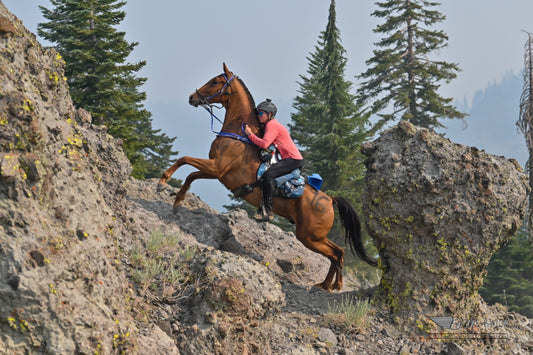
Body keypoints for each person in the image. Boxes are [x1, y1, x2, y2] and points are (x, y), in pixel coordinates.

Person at [243, 99, 303, 222]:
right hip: (289, 159)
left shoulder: (272, 125)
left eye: (261, 114)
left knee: (269, 175)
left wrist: (250, 135)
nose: (259, 116)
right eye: (258, 114)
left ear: (269, 115)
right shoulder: (269, 124)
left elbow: (265, 144)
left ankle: (268, 211)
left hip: (293, 160)